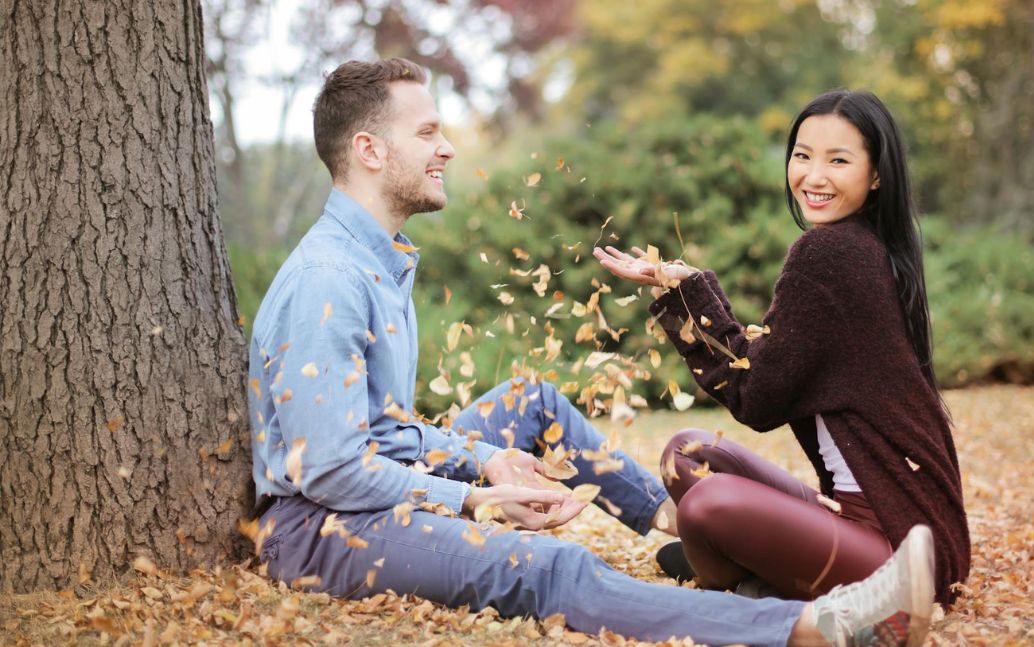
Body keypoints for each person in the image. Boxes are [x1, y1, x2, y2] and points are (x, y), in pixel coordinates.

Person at [247, 59, 937, 647]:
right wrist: (473, 497)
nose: (448, 147)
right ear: (369, 150)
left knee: (529, 403)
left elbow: (381, 431)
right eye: (427, 132)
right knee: (550, 567)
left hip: (364, 486)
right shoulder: (328, 283)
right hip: (322, 529)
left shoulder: (378, 259)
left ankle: (671, 525)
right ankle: (810, 626)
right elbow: (333, 470)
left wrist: (482, 454)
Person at [595, 89, 969, 614]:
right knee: (689, 454)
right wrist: (684, 288)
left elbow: (757, 398)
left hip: (901, 555)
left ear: (876, 174)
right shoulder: (865, 245)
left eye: (838, 160)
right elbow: (768, 368)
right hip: (888, 526)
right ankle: (748, 566)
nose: (813, 177)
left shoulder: (828, 254)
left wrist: (688, 297)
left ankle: (747, 578)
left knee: (705, 502)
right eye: (802, 154)